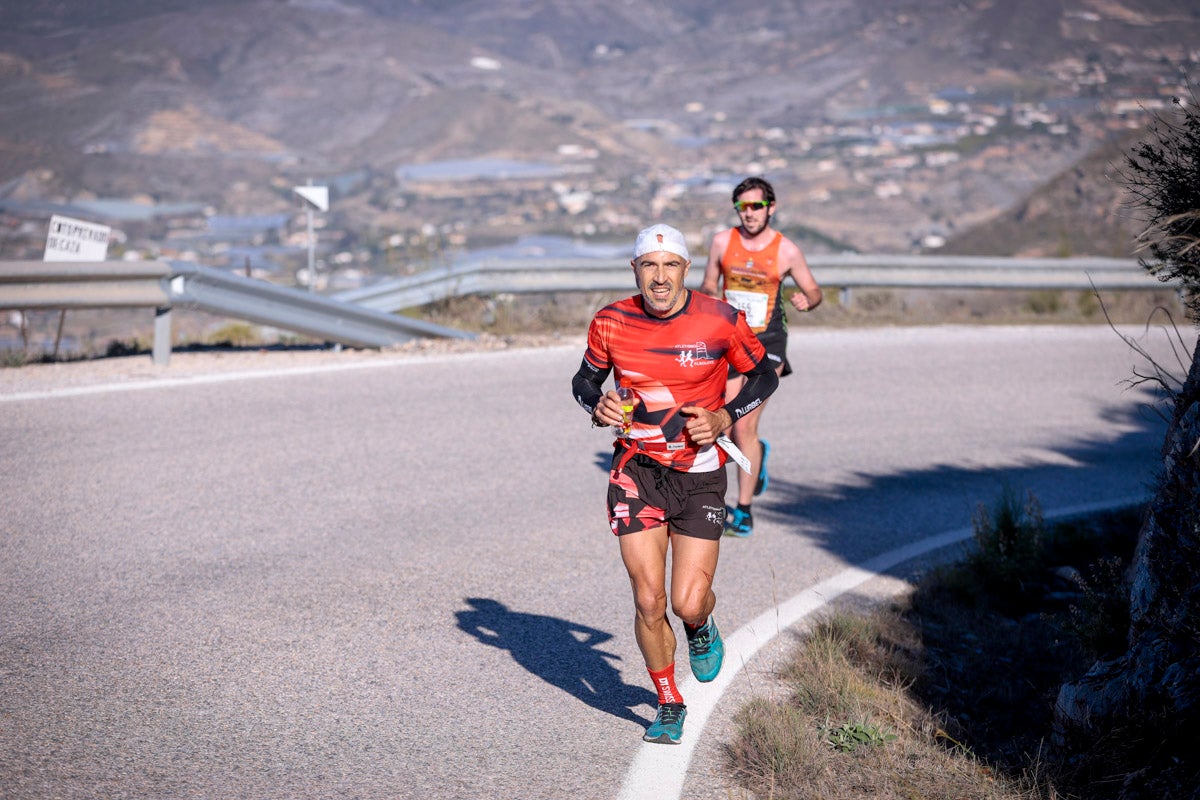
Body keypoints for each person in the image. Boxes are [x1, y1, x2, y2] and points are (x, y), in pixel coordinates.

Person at [571, 223, 779, 744]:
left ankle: (701, 626)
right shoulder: (611, 321)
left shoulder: (720, 319)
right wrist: (596, 405)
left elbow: (764, 376)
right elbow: (584, 380)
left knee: (687, 602)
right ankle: (668, 702)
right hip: (635, 471)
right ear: (635, 270)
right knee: (648, 600)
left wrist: (725, 416)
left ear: (686, 269)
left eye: (669, 266)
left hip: (700, 474)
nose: (659, 277)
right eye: (649, 265)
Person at [700, 177, 822, 537]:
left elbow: (814, 290)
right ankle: (754, 458)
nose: (750, 213)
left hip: (768, 343)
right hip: (730, 340)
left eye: (756, 206)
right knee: (721, 422)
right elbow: (708, 282)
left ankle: (743, 510)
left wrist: (808, 300)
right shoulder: (722, 242)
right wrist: (710, 297)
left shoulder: (787, 251)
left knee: (743, 426)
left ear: (771, 208)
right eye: (743, 207)